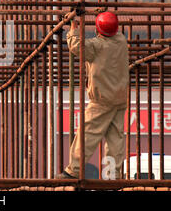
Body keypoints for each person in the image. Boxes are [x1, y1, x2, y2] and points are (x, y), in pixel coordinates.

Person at [55, 11, 129, 179]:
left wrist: (74, 29)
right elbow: (109, 32)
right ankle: (112, 176)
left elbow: (76, 46)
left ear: (98, 30)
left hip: (101, 100)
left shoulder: (97, 46)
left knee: (87, 134)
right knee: (115, 138)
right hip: (119, 98)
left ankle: (73, 170)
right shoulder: (122, 41)